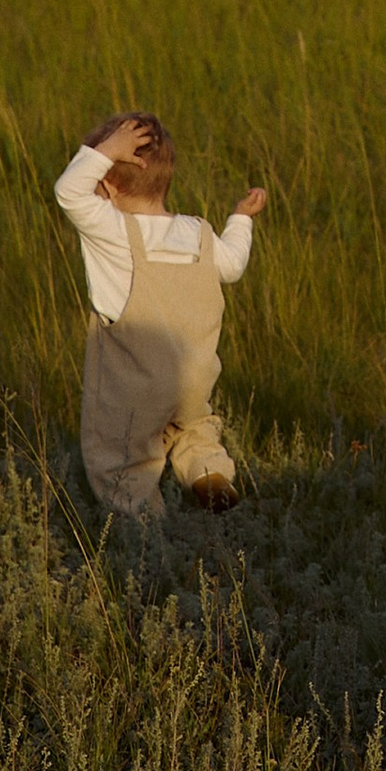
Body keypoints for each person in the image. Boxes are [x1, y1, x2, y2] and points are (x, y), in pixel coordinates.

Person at [54, 115, 268, 521]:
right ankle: (210, 474)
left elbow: (68, 192)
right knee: (194, 429)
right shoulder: (199, 233)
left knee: (121, 462)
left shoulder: (113, 231)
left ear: (109, 185)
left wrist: (106, 152)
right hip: (193, 379)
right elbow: (234, 265)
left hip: (134, 387)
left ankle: (147, 537)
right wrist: (241, 218)